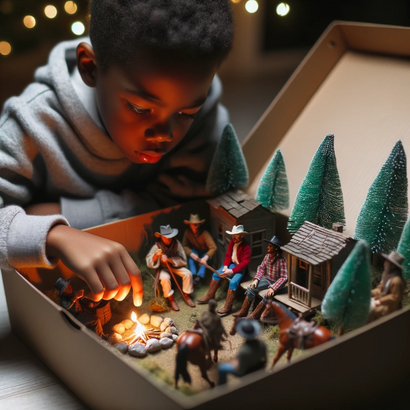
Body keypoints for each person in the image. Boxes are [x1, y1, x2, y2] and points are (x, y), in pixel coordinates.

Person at [0, 1, 234, 307]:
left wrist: (63, 213)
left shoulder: (205, 113)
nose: (165, 134)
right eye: (140, 108)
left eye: (186, 113)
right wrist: (55, 235)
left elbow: (186, 202)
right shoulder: (30, 124)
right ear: (90, 67)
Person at [197, 225, 251, 315]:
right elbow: (228, 255)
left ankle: (228, 307)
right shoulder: (231, 243)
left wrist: (231, 271)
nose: (233, 237)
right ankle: (210, 296)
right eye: (233, 235)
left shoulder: (246, 247)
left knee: (233, 282)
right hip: (231, 265)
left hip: (240, 268)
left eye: (236, 235)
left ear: (241, 236)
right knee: (216, 274)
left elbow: (245, 263)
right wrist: (225, 266)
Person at [233, 235, 287, 320]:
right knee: (252, 288)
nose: (268, 247)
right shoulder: (267, 257)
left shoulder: (282, 260)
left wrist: (273, 288)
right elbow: (261, 268)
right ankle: (243, 311)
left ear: (276, 248)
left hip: (276, 283)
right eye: (268, 245)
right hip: (267, 279)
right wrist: (256, 279)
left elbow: (284, 277)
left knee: (267, 295)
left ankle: (252, 317)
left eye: (270, 246)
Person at [146, 225, 195, 311]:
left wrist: (169, 260)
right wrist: (155, 256)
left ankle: (187, 296)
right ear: (161, 237)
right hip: (163, 268)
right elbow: (149, 262)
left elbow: (183, 259)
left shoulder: (176, 244)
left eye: (170, 237)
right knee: (165, 278)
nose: (168, 239)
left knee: (188, 274)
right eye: (165, 237)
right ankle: (171, 300)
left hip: (175, 266)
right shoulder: (157, 246)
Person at [218, 319, 266, 385]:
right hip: (258, 370)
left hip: (247, 374)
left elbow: (241, 371)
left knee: (222, 368)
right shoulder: (262, 344)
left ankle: (222, 389)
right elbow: (265, 361)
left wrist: (234, 365)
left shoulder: (243, 351)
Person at [369, 251, 406, 322]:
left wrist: (380, 301)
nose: (385, 263)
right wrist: (370, 293)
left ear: (393, 266)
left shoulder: (396, 281)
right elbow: (380, 289)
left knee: (371, 310)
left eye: (387, 262)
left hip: (390, 306)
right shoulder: (386, 275)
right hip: (381, 301)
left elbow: (395, 297)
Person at [182, 214, 217, 286]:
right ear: (190, 225)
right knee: (191, 259)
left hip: (204, 252)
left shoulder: (205, 234)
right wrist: (191, 253)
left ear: (200, 224)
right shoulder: (187, 232)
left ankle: (199, 277)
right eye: (193, 225)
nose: (195, 227)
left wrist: (206, 257)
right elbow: (184, 245)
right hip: (194, 251)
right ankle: (193, 275)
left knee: (204, 262)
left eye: (197, 224)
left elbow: (213, 247)